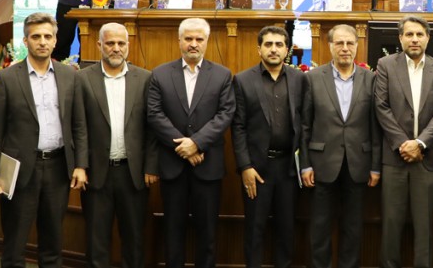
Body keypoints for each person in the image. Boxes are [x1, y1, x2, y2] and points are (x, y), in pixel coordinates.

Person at [0, 12, 88, 268]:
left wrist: (81, 165)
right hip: (19, 170)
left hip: (58, 169)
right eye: (36, 36)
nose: (42, 42)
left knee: (53, 242)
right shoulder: (8, 78)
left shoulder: (70, 76)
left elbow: (79, 125)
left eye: (48, 37)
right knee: (15, 243)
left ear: (55, 41)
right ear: (26, 40)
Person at [147, 17, 236, 268]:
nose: (193, 44)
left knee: (207, 234)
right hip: (172, 167)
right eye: (188, 38)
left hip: (208, 168)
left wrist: (196, 143)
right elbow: (154, 114)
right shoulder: (160, 74)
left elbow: (225, 114)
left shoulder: (222, 75)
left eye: (199, 39)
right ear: (179, 41)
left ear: (207, 41)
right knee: (172, 232)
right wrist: (184, 147)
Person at [373, 15, 433, 268]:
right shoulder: (386, 65)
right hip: (394, 158)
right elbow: (381, 107)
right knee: (391, 224)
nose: (414, 39)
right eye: (409, 34)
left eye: (419, 34)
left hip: (426, 159)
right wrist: (403, 144)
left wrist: (420, 143)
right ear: (400, 38)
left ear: (428, 38)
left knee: (424, 226)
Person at [76, 23, 158, 268]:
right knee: (96, 241)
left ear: (128, 46)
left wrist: (151, 166)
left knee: (134, 240)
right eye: (110, 43)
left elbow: (152, 128)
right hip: (96, 173)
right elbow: (78, 127)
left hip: (133, 174)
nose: (116, 48)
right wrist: (81, 165)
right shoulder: (82, 79)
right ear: (99, 45)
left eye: (121, 43)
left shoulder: (145, 78)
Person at [301, 24, 381, 268]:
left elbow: (376, 126)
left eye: (349, 43)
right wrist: (305, 165)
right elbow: (305, 125)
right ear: (330, 46)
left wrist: (375, 166)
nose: (345, 48)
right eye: (339, 43)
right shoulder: (313, 78)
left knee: (353, 227)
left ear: (357, 46)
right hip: (321, 164)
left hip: (359, 164)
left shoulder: (371, 79)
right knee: (320, 227)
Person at [233, 26, 306, 268]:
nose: (273, 49)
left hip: (289, 168)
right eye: (268, 44)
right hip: (257, 169)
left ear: (287, 50)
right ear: (259, 49)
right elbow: (238, 127)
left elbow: (305, 123)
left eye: (279, 44)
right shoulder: (243, 80)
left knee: (286, 229)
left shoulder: (299, 79)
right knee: (255, 229)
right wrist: (245, 166)